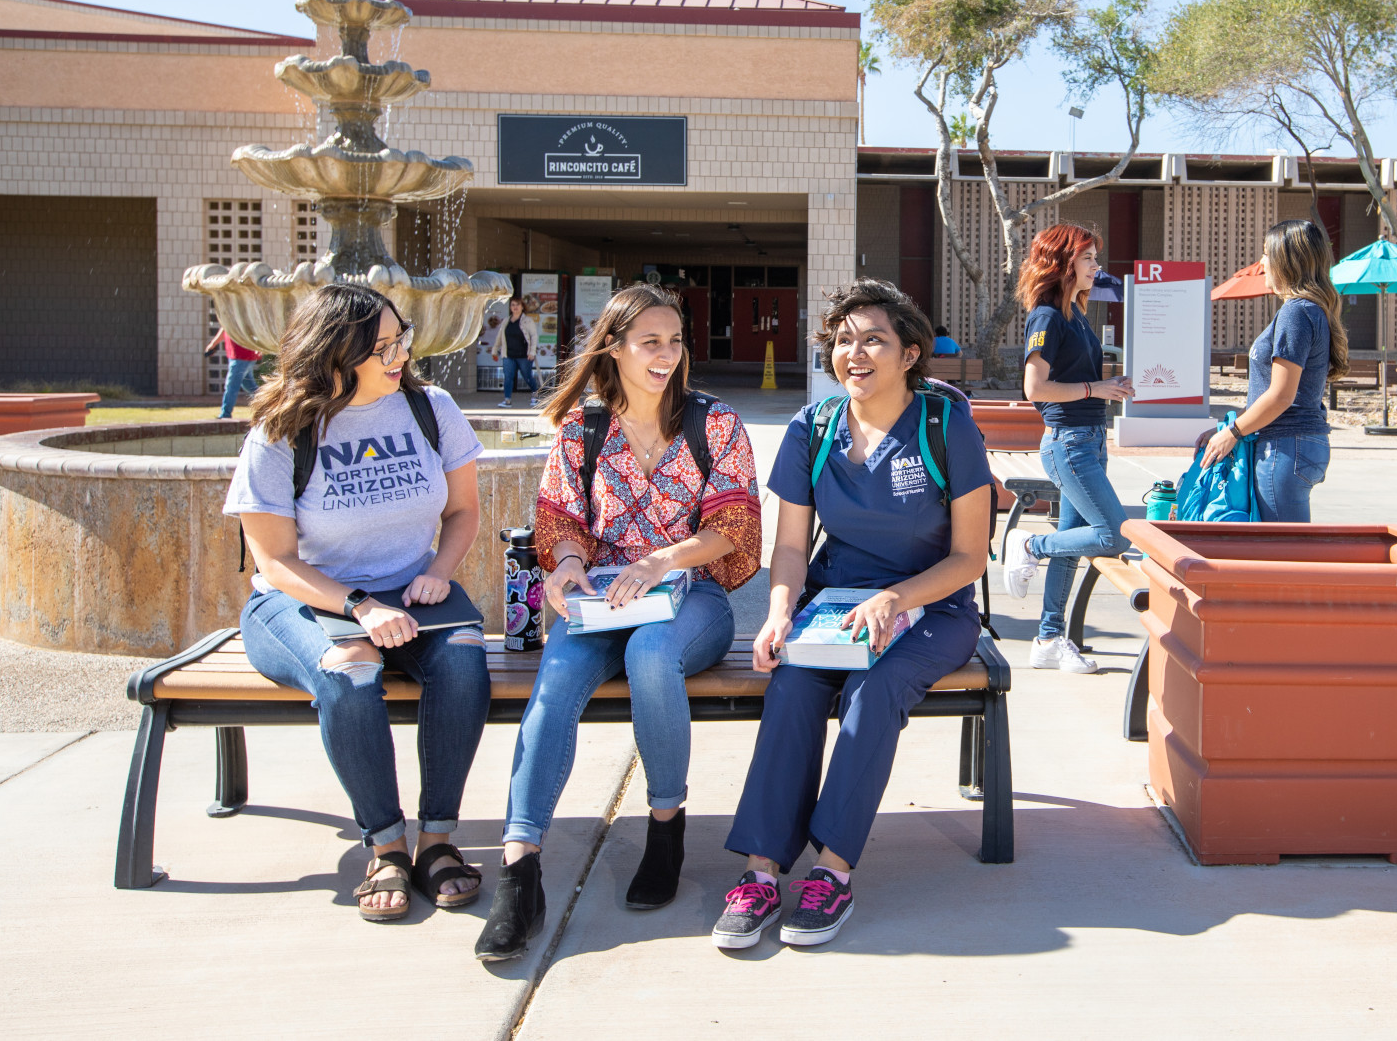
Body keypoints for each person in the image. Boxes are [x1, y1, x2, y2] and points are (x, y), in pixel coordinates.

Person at [474, 284, 762, 962]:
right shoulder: (584, 427)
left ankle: (666, 826)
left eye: (675, 341)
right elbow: (561, 520)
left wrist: (662, 560)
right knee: (558, 674)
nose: (667, 355)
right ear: (617, 348)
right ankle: (520, 870)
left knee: (652, 654)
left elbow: (735, 524)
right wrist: (567, 565)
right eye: (650, 342)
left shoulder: (714, 422)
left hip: (690, 600)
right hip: (602, 601)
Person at [712, 279, 993, 950]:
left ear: (909, 353)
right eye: (843, 340)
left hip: (931, 604)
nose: (854, 353)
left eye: (874, 339)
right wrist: (780, 611)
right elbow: (788, 547)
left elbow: (970, 557)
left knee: (876, 687)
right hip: (834, 605)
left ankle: (831, 872)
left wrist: (898, 597)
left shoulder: (943, 423)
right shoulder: (814, 428)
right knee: (792, 687)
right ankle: (760, 872)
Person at [225, 283, 490, 923]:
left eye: (403, 339)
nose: (400, 355)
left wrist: (439, 571)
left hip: (413, 597)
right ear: (335, 356)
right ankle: (386, 846)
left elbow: (463, 511)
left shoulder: (432, 409)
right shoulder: (282, 430)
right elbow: (276, 562)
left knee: (463, 660)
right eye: (382, 347)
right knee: (350, 670)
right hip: (301, 601)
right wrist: (362, 607)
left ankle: (437, 841)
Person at [1002, 224, 1135, 672]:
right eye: (1089, 258)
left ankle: (1049, 638)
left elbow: (1078, 382)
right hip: (1068, 444)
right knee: (1115, 535)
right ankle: (1030, 545)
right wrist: (1096, 387)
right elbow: (1035, 386)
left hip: (1090, 440)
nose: (1097, 266)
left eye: (1096, 258)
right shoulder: (1046, 316)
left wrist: (1107, 388)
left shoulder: (1075, 313)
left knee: (1073, 543)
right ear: (1063, 263)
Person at [1199, 219, 1346, 521]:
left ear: (1287, 259)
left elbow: (1281, 396)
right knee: (1279, 553)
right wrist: (1227, 428)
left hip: (1284, 447)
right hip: (1293, 445)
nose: (1262, 262)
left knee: (1284, 556)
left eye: (1266, 253)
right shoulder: (1308, 310)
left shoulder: (1296, 312)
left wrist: (1234, 432)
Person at [490, 297, 541, 408]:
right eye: (513, 305)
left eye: (517, 305)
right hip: (508, 355)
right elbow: (500, 337)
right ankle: (507, 400)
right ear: (510, 307)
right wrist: (495, 350)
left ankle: (535, 396)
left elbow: (533, 336)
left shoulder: (528, 321)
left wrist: (532, 352)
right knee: (508, 377)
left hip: (524, 355)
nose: (515, 307)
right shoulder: (506, 321)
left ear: (522, 307)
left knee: (527, 376)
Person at [205, 326, 261, 419]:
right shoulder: (229, 316)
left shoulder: (238, 314)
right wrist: (213, 344)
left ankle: (225, 414)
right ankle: (269, 405)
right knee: (249, 386)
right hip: (238, 355)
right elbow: (224, 328)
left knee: (231, 386)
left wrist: (213, 344)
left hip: (242, 355)